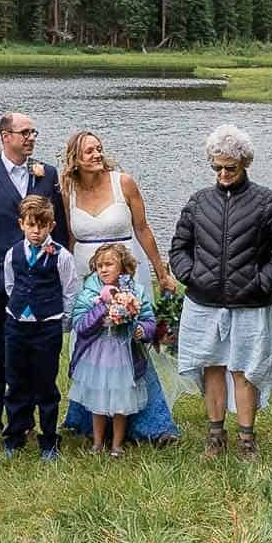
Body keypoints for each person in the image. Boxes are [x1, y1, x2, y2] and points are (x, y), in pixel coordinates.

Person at [168, 123, 272, 458]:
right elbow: (179, 246)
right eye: (217, 167)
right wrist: (190, 275)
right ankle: (214, 436)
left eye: (230, 168)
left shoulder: (267, 202)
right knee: (212, 367)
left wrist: (262, 282)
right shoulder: (198, 202)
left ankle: (247, 439)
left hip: (250, 304)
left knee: (245, 369)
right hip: (203, 302)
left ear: (245, 164)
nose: (223, 173)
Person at [57, 128, 182, 446]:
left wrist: (161, 272)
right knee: (91, 342)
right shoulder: (67, 190)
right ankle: (89, 421)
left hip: (128, 274)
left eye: (99, 149)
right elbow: (69, 240)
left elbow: (143, 228)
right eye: (89, 151)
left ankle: (148, 425)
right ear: (75, 159)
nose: (97, 154)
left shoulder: (122, 181)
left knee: (130, 344)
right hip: (88, 277)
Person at [0, 111, 68, 438]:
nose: (31, 138)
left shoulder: (47, 174)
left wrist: (55, 265)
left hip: (41, 282)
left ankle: (30, 423)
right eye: (24, 132)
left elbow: (59, 226)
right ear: (5, 136)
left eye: (33, 132)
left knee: (35, 357)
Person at [0, 194, 81, 458]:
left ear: (51, 227)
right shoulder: (13, 254)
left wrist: (62, 321)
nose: (36, 232)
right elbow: (11, 285)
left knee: (45, 383)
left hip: (47, 326)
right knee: (16, 381)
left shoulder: (62, 256)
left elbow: (70, 291)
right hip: (17, 325)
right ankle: (16, 433)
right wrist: (19, 308)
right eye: (31, 225)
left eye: (42, 226)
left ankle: (49, 438)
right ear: (21, 224)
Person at [68, 243, 158, 453]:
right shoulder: (90, 290)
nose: (104, 269)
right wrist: (102, 307)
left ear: (123, 267)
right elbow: (80, 324)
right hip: (96, 353)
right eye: (99, 266)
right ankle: (97, 442)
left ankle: (117, 443)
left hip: (123, 352)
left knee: (121, 398)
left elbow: (149, 321)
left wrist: (140, 330)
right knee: (97, 396)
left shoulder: (135, 291)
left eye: (109, 264)